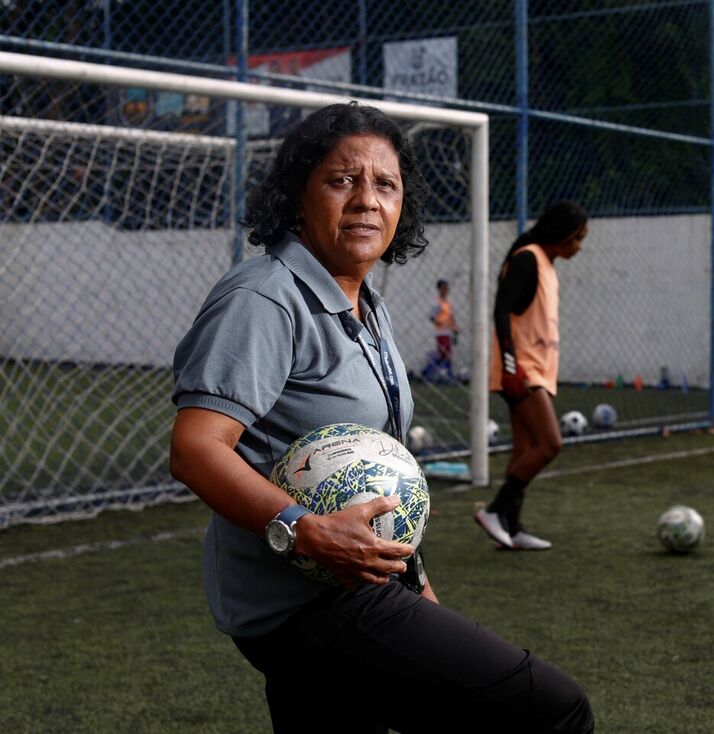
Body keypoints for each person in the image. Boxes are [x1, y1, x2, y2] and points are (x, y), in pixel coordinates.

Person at [170, 103, 594, 733]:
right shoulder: (263, 297)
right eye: (342, 180)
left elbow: (379, 465)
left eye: (385, 184)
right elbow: (196, 448)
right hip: (307, 602)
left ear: (403, 205)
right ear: (298, 194)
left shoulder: (367, 305)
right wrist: (304, 529)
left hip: (360, 584)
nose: (366, 200)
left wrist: (416, 588)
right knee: (556, 714)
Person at [474, 201, 589, 551]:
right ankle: (495, 509)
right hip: (521, 370)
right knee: (550, 444)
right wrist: (511, 365)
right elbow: (501, 311)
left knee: (526, 447)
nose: (580, 245)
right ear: (562, 234)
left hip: (539, 369)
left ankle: (512, 526)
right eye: (578, 237)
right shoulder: (527, 257)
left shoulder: (548, 265)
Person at [426, 277, 459, 380]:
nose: (446, 290)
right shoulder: (438, 303)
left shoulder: (448, 303)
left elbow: (450, 317)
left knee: (445, 355)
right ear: (439, 289)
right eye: (444, 288)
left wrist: (455, 327)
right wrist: (441, 323)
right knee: (444, 355)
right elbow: (432, 317)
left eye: (447, 288)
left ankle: (446, 374)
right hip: (441, 332)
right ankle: (427, 373)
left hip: (448, 332)